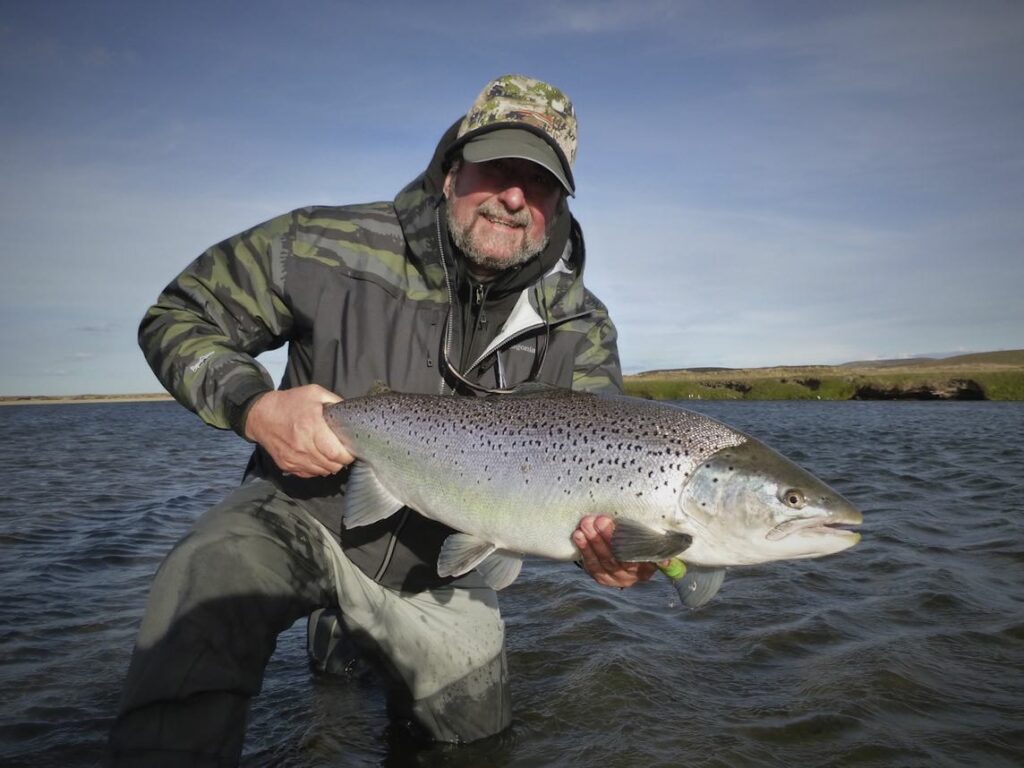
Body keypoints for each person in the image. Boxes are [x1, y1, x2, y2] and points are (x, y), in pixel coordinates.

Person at [109, 74, 656, 765]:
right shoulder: (324, 244)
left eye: (539, 183)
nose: (514, 197)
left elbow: (610, 480)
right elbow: (178, 316)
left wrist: (623, 554)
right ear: (451, 167)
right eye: (497, 168)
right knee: (204, 582)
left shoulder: (581, 323)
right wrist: (256, 407)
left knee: (473, 743)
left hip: (449, 575)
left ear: (558, 202)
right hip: (301, 516)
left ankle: (354, 644)